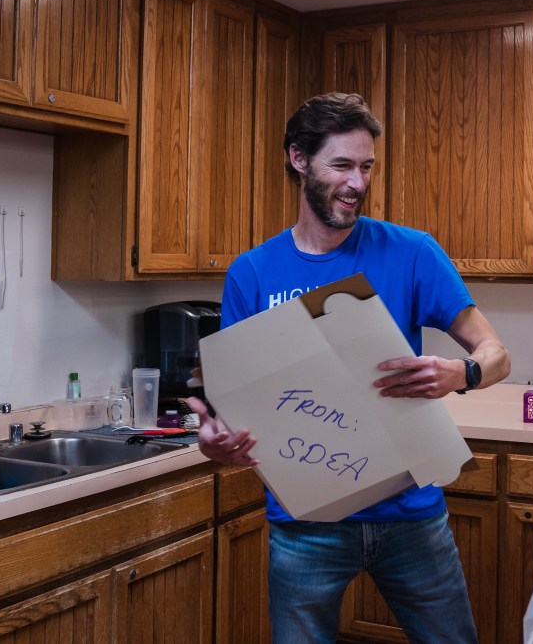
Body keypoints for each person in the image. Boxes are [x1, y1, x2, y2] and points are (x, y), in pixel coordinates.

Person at [190, 92, 511, 643]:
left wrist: (464, 374)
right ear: (299, 160)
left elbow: (496, 355)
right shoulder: (252, 273)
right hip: (305, 525)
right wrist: (214, 442)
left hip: (411, 514)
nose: (357, 183)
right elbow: (231, 410)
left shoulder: (412, 252)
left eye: (366, 167)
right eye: (342, 165)